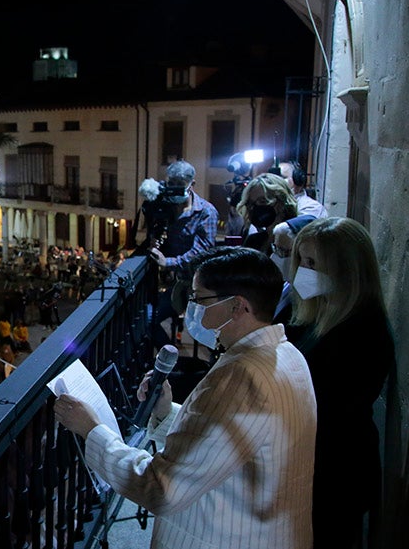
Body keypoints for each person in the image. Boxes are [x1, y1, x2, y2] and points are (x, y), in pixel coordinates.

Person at [55, 246, 317, 549]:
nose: (189, 309)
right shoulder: (288, 355)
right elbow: (231, 439)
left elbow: (162, 489)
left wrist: (92, 430)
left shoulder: (240, 377)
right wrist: (167, 413)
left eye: (199, 299)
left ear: (237, 307)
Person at [288, 217, 393, 548]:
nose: (303, 271)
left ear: (347, 270)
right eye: (301, 261)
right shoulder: (324, 312)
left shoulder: (363, 329)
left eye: (313, 263)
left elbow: (332, 403)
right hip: (316, 462)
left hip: (337, 472)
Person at [146, 160, 219, 348]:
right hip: (170, 283)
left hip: (193, 284)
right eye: (171, 184)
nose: (175, 190)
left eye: (180, 185)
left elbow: (201, 252)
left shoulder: (206, 212)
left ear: (191, 184)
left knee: (207, 334)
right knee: (148, 319)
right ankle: (169, 358)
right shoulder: (166, 207)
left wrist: (167, 261)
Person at [269, 214, 317, 327]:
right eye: (275, 248)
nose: (274, 257)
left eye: (283, 251)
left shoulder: (308, 295)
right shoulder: (285, 285)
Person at [235, 173, 299, 255]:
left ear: (281, 202)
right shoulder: (253, 241)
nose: (255, 208)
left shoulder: (296, 242)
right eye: (251, 203)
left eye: (262, 201)